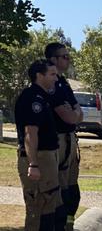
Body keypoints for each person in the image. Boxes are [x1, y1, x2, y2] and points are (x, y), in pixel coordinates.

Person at [15, 59, 62, 230]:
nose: (56, 79)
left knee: (49, 206)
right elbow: (30, 133)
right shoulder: (32, 98)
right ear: (39, 76)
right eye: (52, 74)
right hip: (38, 159)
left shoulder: (44, 97)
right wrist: (33, 164)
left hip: (47, 158)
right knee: (37, 207)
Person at [45, 42, 83, 231]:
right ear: (53, 59)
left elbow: (78, 112)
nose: (68, 59)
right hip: (57, 142)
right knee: (59, 193)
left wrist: (74, 113)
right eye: (64, 56)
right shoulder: (51, 84)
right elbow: (68, 115)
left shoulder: (64, 83)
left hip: (70, 139)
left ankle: (68, 226)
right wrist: (73, 113)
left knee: (72, 193)